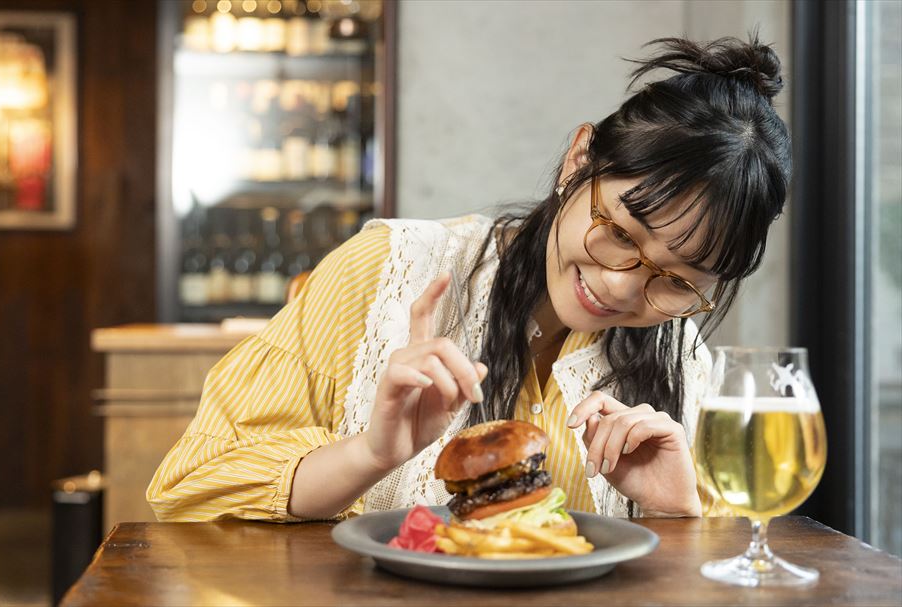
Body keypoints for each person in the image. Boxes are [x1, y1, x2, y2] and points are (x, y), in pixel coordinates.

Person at [147, 34, 790, 522]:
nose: (623, 287)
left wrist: (678, 517)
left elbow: (733, 567)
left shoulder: (686, 363)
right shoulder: (386, 273)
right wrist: (370, 454)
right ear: (579, 159)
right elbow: (194, 484)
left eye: (676, 280)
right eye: (620, 233)